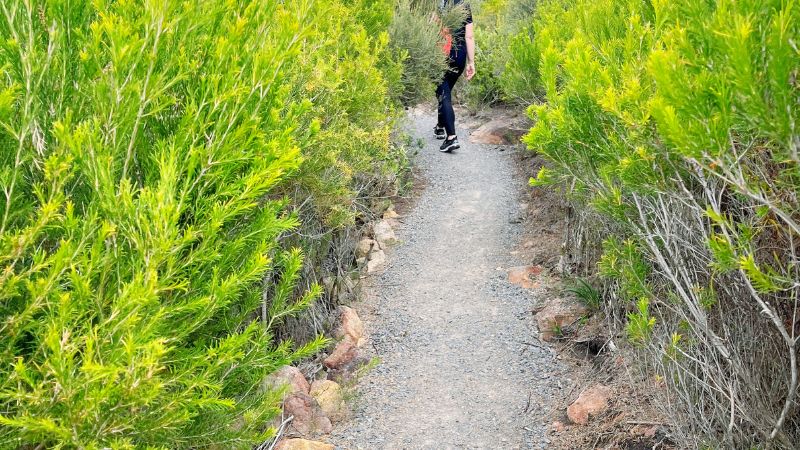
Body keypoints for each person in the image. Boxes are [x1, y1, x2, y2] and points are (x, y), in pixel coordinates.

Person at [434, 0, 475, 153]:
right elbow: (469, 36)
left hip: (440, 52)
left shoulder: (435, 4)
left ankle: (451, 137)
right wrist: (471, 62)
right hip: (459, 55)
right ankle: (439, 127)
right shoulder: (463, 4)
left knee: (443, 93)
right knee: (445, 91)